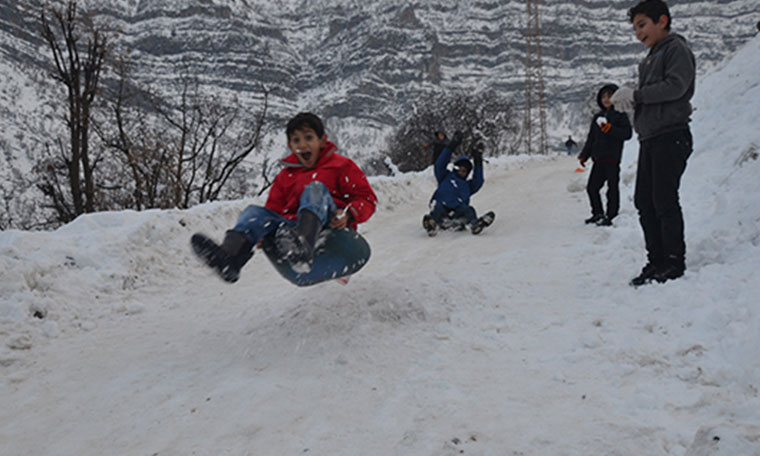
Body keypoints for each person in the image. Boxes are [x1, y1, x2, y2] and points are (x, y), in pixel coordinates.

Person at [191, 112, 377, 282]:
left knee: (315, 189)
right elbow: (273, 211)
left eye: (309, 138)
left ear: (323, 140)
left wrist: (348, 214)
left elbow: (366, 198)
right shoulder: (285, 176)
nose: (302, 145)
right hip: (290, 234)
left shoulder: (340, 166)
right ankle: (231, 259)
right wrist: (263, 232)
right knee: (254, 212)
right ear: (290, 146)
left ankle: (303, 246)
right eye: (296, 140)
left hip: (328, 224)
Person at [611, 0, 696, 286]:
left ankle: (673, 262)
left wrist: (636, 96)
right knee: (644, 201)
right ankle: (656, 259)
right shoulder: (648, 59)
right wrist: (631, 104)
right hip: (650, 138)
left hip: (671, 135)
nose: (638, 33)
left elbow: (676, 86)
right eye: (635, 28)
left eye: (642, 25)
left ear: (662, 21)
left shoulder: (676, 49)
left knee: (663, 199)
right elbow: (648, 96)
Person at [578, 84, 633, 226]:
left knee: (612, 188)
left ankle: (611, 216)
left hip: (612, 158)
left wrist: (610, 129)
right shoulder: (598, 117)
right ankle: (597, 213)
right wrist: (585, 155)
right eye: (603, 96)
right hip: (598, 158)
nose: (606, 99)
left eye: (609, 96)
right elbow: (591, 138)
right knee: (592, 187)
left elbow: (627, 134)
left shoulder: (620, 115)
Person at [422, 133, 494, 236]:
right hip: (442, 209)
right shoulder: (445, 176)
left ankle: (475, 224)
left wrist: (478, 162)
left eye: (465, 169)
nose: (462, 170)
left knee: (470, 210)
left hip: (458, 213)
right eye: (460, 167)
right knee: (437, 208)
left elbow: (478, 181)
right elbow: (439, 165)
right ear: (456, 167)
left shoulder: (468, 185)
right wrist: (452, 146)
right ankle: (432, 225)